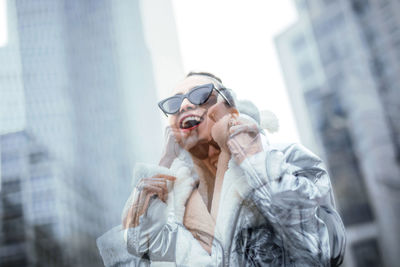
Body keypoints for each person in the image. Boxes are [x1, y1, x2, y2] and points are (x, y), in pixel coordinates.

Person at [97, 72, 346, 266]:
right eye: (174, 103)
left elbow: (325, 248)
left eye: (200, 95)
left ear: (232, 109)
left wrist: (250, 154)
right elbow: (133, 248)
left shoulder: (286, 158)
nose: (184, 106)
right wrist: (164, 164)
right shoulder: (169, 204)